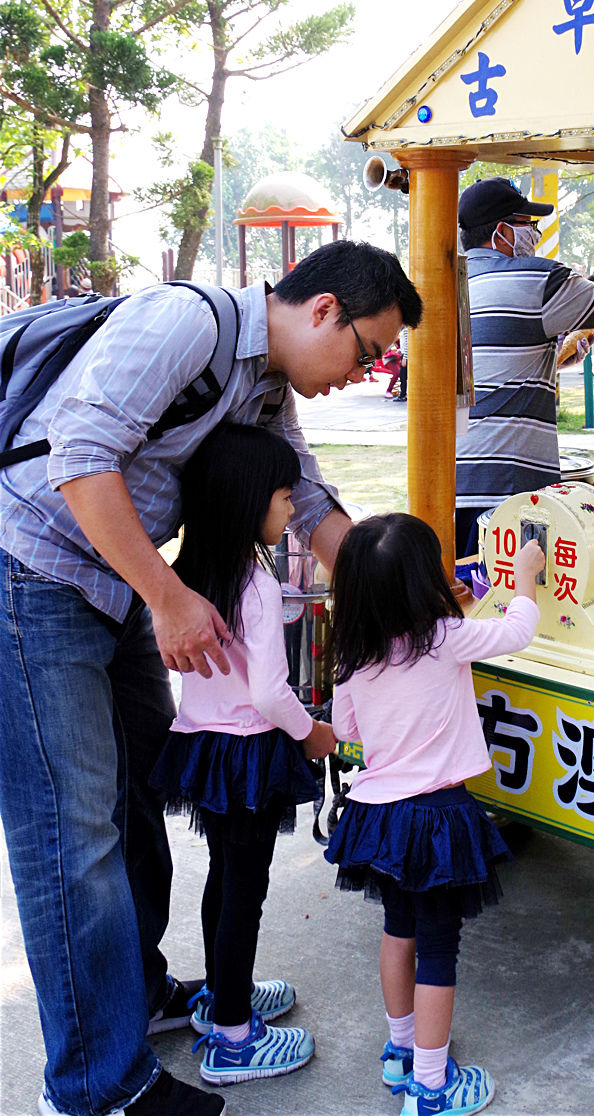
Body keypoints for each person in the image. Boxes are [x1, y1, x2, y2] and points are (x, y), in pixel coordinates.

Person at [0, 240, 422, 1116]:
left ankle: (136, 996)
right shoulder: (186, 323)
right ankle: (97, 1090)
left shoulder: (266, 386)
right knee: (70, 834)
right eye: (368, 349)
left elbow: (308, 501)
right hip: (29, 573)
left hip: (111, 582)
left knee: (136, 798)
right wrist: (169, 597)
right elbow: (81, 454)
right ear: (322, 310)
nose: (367, 371)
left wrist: (410, 605)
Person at [323, 513, 543, 1116]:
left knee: (399, 932)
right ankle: (431, 1088)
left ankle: (400, 1054)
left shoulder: (356, 652)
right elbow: (518, 631)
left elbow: (346, 730)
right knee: (440, 949)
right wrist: (525, 577)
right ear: (425, 583)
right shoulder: (445, 636)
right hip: (438, 818)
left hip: (379, 818)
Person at [149, 423, 338, 1086]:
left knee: (224, 880)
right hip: (251, 752)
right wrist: (310, 733)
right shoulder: (257, 586)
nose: (291, 510)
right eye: (284, 496)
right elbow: (268, 690)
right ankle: (233, 1037)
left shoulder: (189, 573)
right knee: (245, 891)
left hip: (203, 746)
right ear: (247, 500)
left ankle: (225, 995)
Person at [455, 177, 594, 558]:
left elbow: (491, 372)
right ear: (502, 232)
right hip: (509, 489)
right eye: (527, 224)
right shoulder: (537, 278)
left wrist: (558, 353)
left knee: (465, 600)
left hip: (447, 485)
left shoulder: (446, 283)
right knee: (515, 598)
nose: (534, 234)